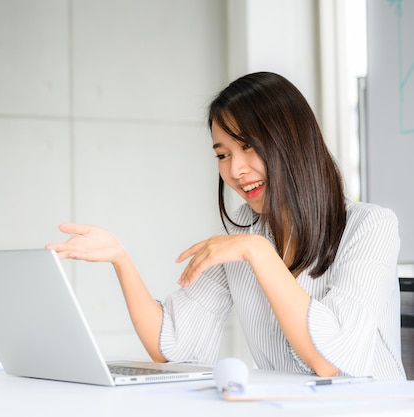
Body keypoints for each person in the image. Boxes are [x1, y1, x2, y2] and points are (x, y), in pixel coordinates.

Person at [45, 72, 406, 381]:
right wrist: (120, 260)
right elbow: (173, 348)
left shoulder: (369, 227)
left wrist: (258, 253)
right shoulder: (245, 236)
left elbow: (330, 361)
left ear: (291, 144)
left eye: (249, 147)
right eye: (223, 154)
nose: (235, 170)